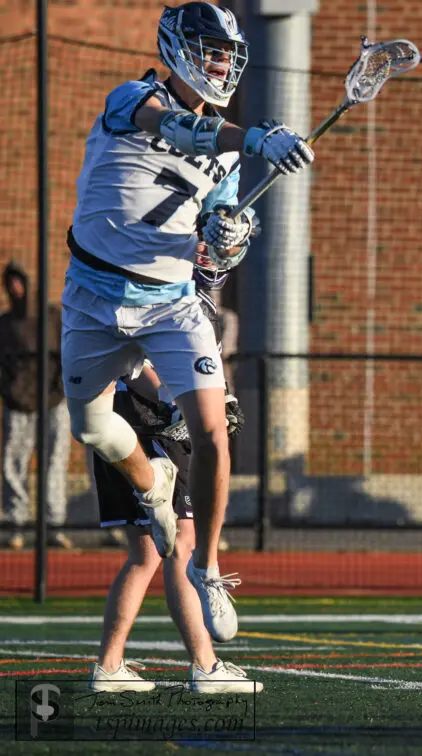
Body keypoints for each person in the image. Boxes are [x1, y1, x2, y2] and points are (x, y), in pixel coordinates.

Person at [61, 2, 313, 643]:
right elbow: (174, 128)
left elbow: (218, 242)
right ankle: (153, 485)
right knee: (90, 426)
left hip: (171, 302)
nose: (222, 64)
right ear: (176, 48)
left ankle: (208, 568)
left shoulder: (228, 153)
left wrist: (227, 240)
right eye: (211, 51)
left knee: (213, 430)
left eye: (229, 55)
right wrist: (253, 137)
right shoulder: (132, 98)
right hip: (94, 296)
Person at [88, 249, 254, 694]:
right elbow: (134, 359)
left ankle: (109, 666)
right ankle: (206, 667)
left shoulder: (192, 293)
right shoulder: (159, 284)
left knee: (146, 553)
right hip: (146, 420)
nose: (211, 255)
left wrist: (217, 400)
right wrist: (174, 402)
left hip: (126, 419)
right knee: (183, 542)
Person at [0, 262, 72, 550]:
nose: (15, 288)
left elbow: (68, 354)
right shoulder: (5, 324)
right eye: (10, 283)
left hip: (53, 402)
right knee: (13, 464)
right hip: (18, 404)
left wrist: (60, 390)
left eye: (19, 281)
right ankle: (16, 523)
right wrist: (10, 392)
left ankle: (54, 525)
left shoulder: (52, 318)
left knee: (54, 462)